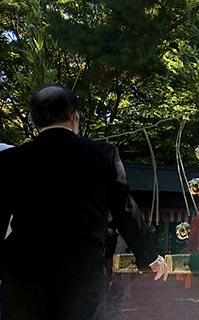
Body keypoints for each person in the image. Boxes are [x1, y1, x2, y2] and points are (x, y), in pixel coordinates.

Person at [0, 85, 168, 320]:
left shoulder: (9, 161)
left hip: (23, 277)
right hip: (81, 277)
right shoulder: (102, 155)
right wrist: (148, 255)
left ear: (34, 120)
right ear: (74, 116)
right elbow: (124, 210)